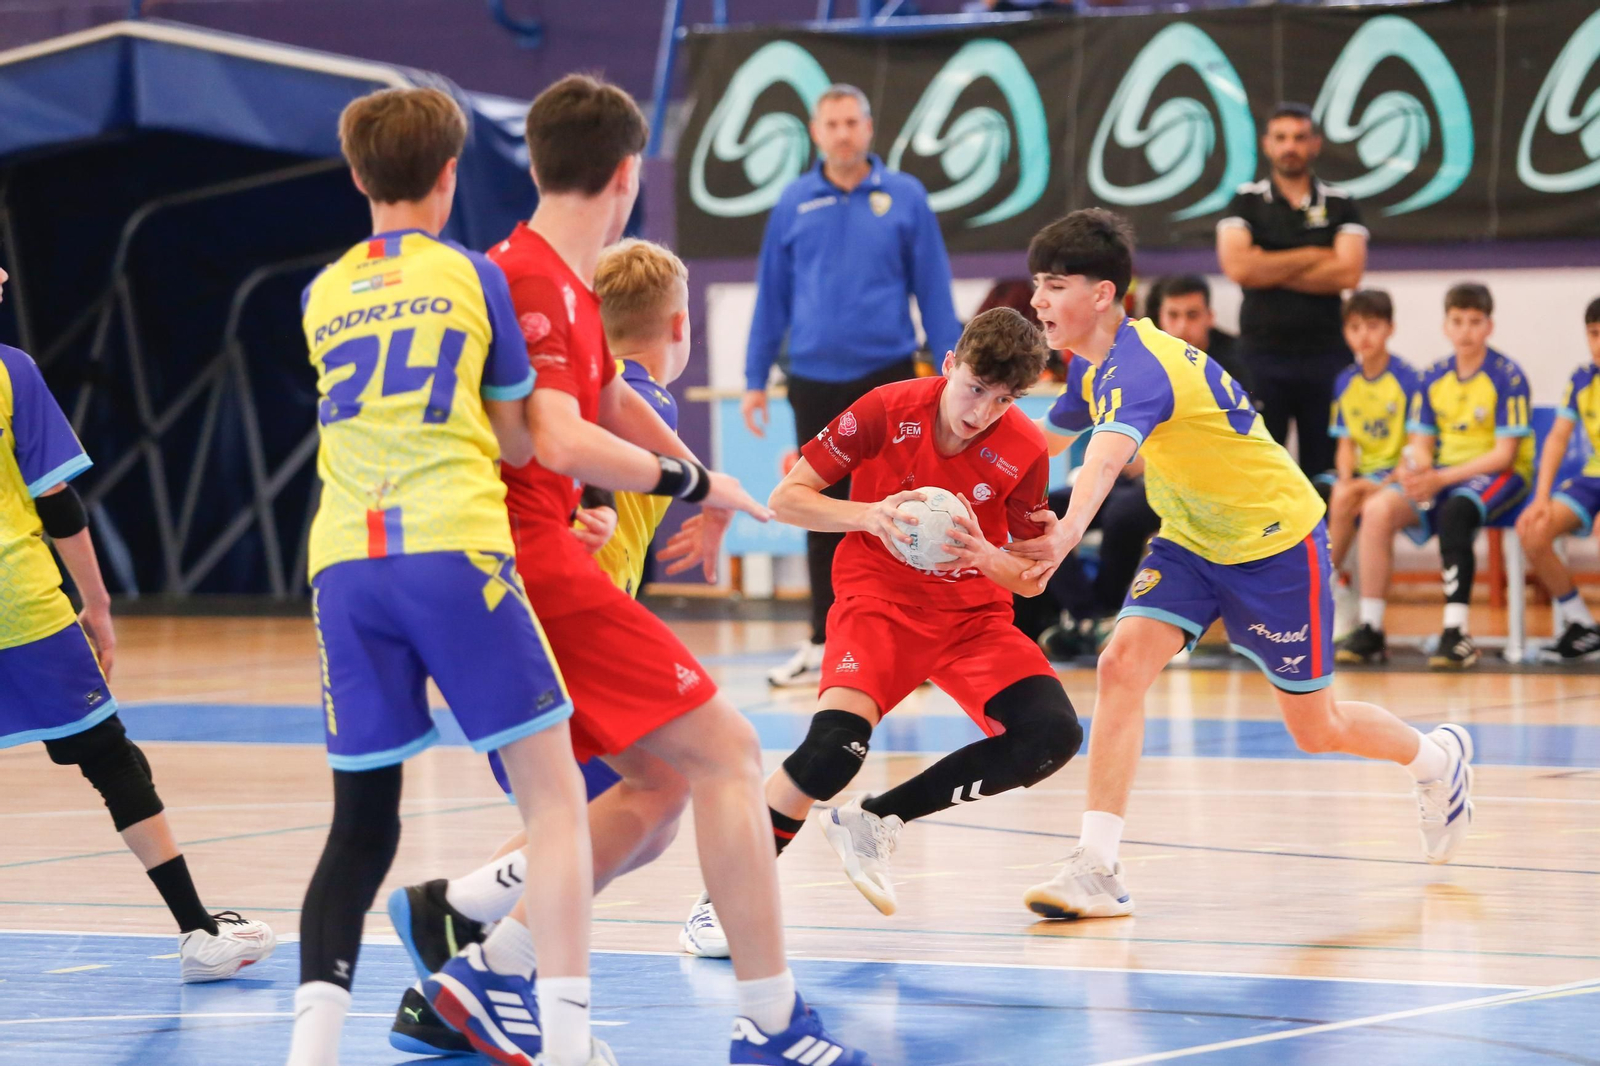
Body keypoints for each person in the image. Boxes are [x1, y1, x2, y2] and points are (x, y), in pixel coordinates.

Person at [398, 74, 870, 1066]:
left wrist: (714, 488)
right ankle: (771, 1022)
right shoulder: (522, 278)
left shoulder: (565, 283)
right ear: (627, 174)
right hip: (526, 562)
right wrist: (683, 473)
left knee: (653, 790)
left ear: (533, 162)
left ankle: (489, 971)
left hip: (507, 566)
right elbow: (564, 438)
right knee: (732, 754)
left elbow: (611, 397)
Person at [1012, 209, 1475, 922]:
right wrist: (954, 453)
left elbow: (1103, 461)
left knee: (1315, 729)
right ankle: (1098, 867)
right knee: (1119, 665)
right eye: (1037, 284)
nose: (1037, 300)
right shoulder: (1091, 365)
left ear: (1102, 294)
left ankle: (1438, 760)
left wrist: (1067, 532)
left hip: (1276, 544)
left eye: (1053, 284)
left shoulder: (1142, 368)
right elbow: (1043, 441)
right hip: (1194, 540)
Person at [284, 87, 605, 1066]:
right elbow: (518, 436)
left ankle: (309, 1053)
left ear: (356, 177)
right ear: (450, 174)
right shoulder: (473, 276)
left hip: (344, 566)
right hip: (453, 550)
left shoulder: (321, 291)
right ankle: (568, 1042)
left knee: (359, 828)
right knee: (557, 806)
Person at [680, 308, 1081, 948]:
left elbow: (1029, 579)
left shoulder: (1026, 450)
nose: (981, 412)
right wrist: (870, 516)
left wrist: (985, 556)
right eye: (975, 388)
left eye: (1003, 400)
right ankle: (719, 903)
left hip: (972, 618)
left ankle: (876, 820)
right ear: (949, 365)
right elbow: (789, 499)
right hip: (879, 604)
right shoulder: (886, 409)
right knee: (832, 750)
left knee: (1052, 735)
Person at [0, 266, 275, 983]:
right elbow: (56, 503)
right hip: (19, 604)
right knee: (111, 759)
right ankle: (197, 929)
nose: (2, 274)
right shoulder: (11, 373)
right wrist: (97, 603)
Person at [744, 83, 963, 688]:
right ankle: (821, 641)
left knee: (900, 507)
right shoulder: (793, 202)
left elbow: (934, 288)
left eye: (851, 122)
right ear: (816, 133)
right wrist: (752, 379)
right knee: (818, 506)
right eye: (831, 123)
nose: (842, 133)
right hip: (812, 378)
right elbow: (772, 296)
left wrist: (952, 366)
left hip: (887, 378)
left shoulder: (906, 197)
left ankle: (905, 642)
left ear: (869, 129)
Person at [1340, 283, 1533, 670]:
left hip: (1499, 475)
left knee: (1456, 511)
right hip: (1445, 475)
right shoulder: (1433, 376)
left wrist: (1440, 479)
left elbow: (1503, 455)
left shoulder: (1507, 376)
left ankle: (1456, 632)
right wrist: (1419, 471)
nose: (1466, 331)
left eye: (1475, 322)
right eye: (1457, 321)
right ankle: (1370, 627)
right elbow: (1422, 443)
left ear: (1489, 326)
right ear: (1445, 326)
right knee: (1377, 508)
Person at [1216, 102, 1368, 482]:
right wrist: (1316, 254)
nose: (1290, 147)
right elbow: (1239, 268)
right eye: (1281, 138)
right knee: (1262, 471)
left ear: (1315, 144)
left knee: (1327, 471)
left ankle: (1325, 545)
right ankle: (1271, 545)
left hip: (1327, 356)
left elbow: (1349, 272)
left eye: (1300, 138)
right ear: (1267, 144)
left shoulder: (1340, 202)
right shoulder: (1245, 200)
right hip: (1261, 357)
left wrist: (1267, 263)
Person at [1326, 291, 1419, 636]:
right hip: (1366, 475)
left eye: (1372, 326)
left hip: (1399, 474)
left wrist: (1381, 483)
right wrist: (1349, 479)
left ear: (1390, 328)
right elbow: (1345, 445)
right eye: (1354, 327)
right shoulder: (1345, 381)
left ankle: (1367, 620)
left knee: (1372, 506)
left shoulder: (1408, 379)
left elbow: (1417, 448)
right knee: (1338, 494)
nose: (1363, 336)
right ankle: (1328, 591)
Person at [1514, 297, 1600, 662]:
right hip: (1593, 478)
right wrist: (1540, 497)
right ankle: (1582, 625)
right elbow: (1557, 439)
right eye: (1594, 334)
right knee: (1533, 528)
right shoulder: (1582, 379)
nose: (1598, 344)